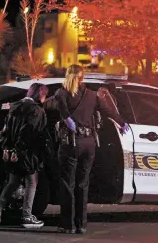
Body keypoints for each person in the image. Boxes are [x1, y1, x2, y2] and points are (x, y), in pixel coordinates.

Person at [43, 65, 129, 234]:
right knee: (83, 184)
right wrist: (122, 122)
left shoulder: (62, 93)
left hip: (71, 143)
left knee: (68, 184)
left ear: (68, 76)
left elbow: (56, 109)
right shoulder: (91, 95)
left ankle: (67, 225)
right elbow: (107, 110)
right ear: (82, 78)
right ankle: (81, 225)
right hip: (89, 143)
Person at [0, 83, 49, 228]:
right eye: (45, 95)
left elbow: (5, 130)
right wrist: (18, 149)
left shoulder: (14, 107)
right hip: (26, 153)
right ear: (40, 94)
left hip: (11, 152)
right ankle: (27, 216)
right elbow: (28, 131)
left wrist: (6, 148)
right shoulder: (36, 110)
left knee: (12, 182)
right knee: (32, 182)